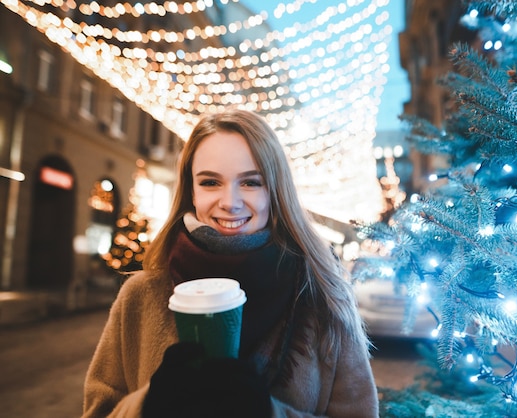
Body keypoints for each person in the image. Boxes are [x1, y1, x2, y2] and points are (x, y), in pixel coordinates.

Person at [82, 108, 379, 417]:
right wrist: (147, 406)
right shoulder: (140, 295)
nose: (230, 202)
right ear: (191, 191)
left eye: (251, 182)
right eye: (210, 182)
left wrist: (267, 413)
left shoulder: (322, 295)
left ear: (274, 191)